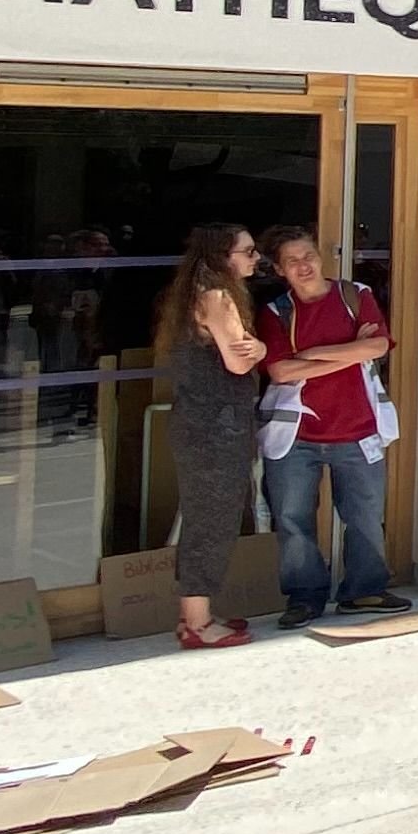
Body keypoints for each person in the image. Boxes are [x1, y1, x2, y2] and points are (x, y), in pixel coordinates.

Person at [255, 224, 406, 629]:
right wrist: (349, 353)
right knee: (292, 518)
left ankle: (364, 591)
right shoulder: (276, 312)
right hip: (296, 434)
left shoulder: (355, 296)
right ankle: (305, 597)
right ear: (280, 270)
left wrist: (315, 354)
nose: (303, 266)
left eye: (308, 256)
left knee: (365, 515)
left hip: (358, 428)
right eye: (292, 261)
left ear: (321, 257)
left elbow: (377, 346)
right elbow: (281, 370)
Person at [155, 224, 265, 651]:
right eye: (248, 251)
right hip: (216, 427)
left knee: (207, 516)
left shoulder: (196, 294)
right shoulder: (217, 296)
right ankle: (197, 623)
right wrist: (261, 349)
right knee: (211, 520)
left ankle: (195, 615)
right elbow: (239, 360)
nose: (256, 259)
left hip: (204, 422)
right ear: (224, 256)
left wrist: (253, 347)